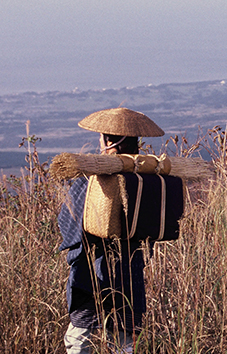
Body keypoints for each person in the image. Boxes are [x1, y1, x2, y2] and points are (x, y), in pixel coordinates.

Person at [58, 107, 164, 354]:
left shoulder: (91, 179)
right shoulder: (147, 179)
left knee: (78, 339)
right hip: (130, 270)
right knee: (124, 341)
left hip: (92, 272)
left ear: (108, 141)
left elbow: (68, 222)